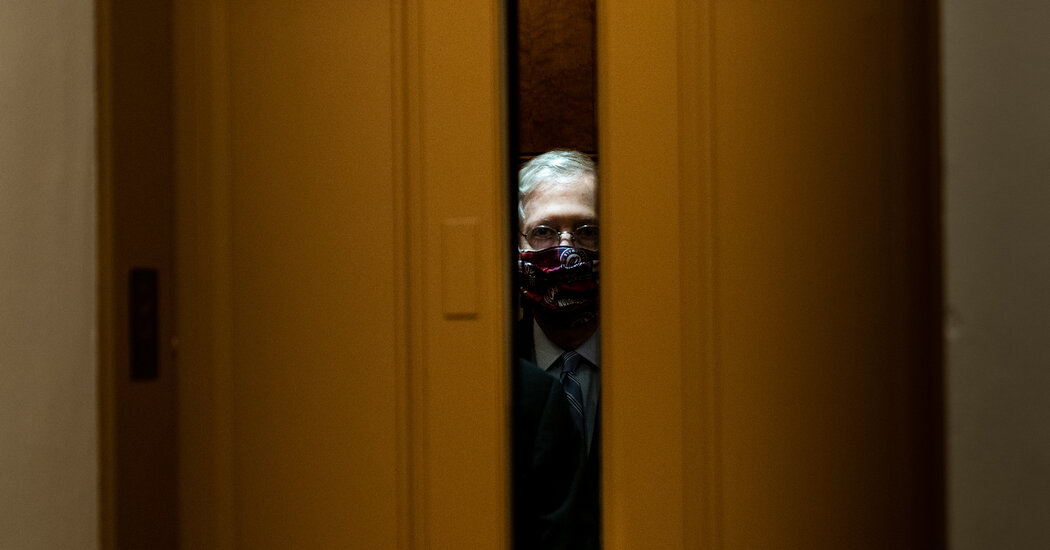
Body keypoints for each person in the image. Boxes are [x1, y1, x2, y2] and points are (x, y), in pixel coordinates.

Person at [515, 149, 601, 549]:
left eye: (587, 231)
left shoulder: (657, 365)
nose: (567, 252)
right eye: (544, 232)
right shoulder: (491, 369)